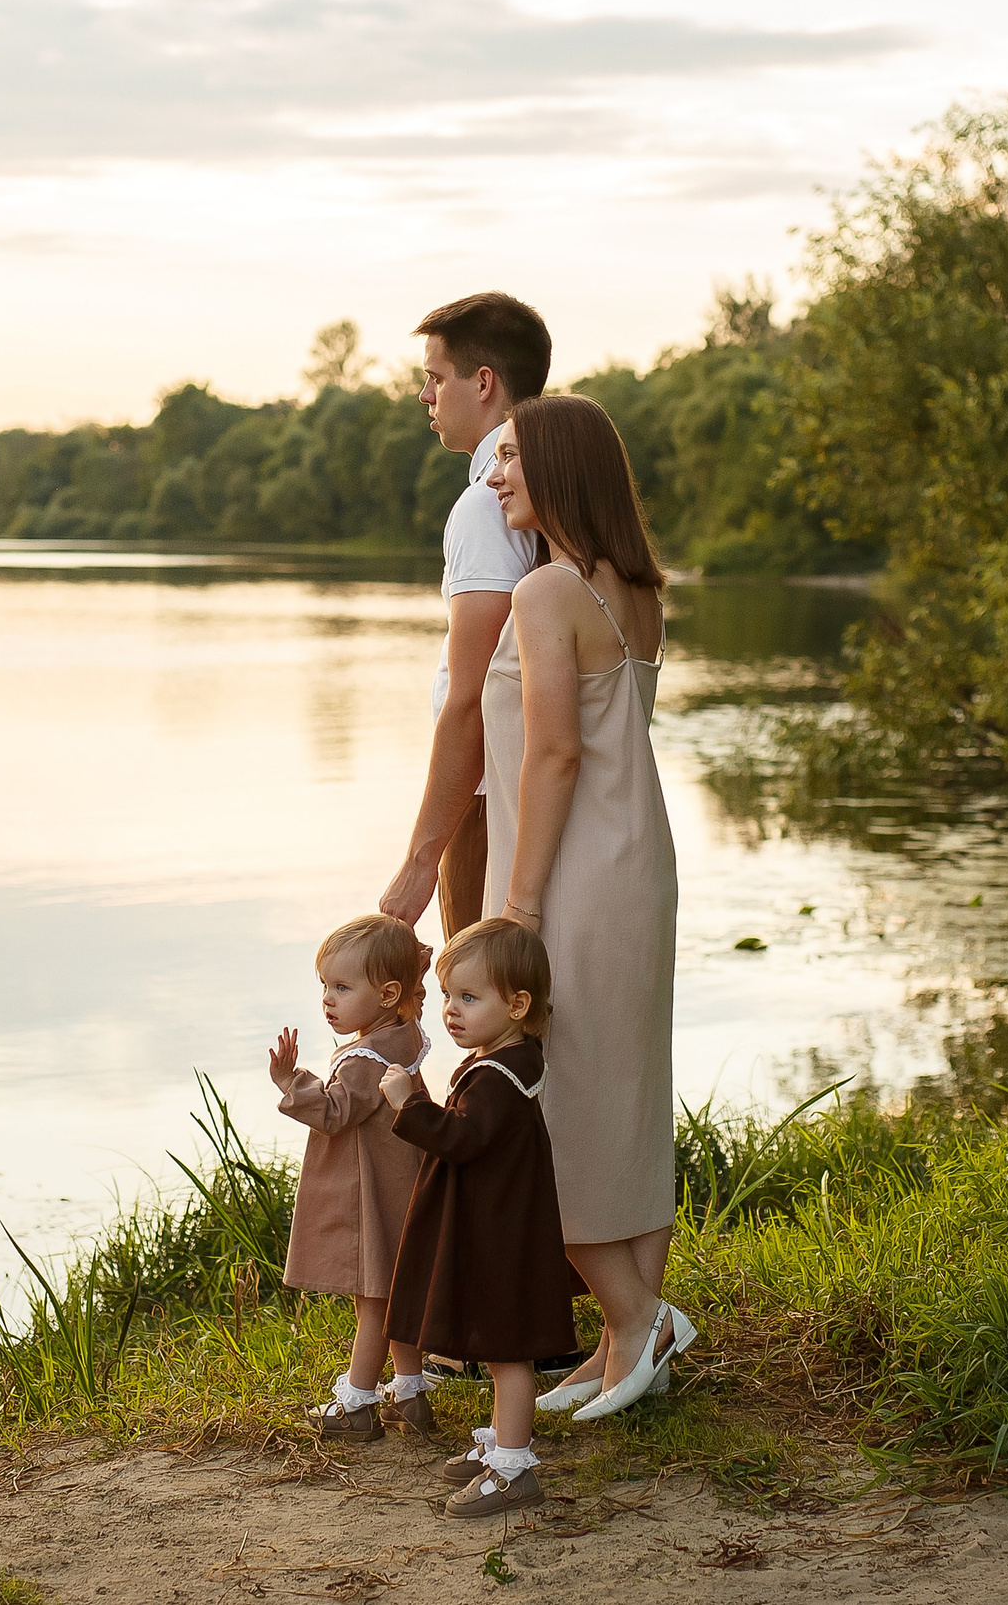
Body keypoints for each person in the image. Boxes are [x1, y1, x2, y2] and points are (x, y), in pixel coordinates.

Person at [481, 393, 695, 1423]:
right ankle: (623, 1337)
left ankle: (638, 1316)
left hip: (571, 873)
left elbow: (556, 752)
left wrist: (516, 906)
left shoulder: (546, 590)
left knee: (555, 1107)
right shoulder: (637, 587)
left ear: (560, 466)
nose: (496, 477)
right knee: (624, 1095)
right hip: (637, 862)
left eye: (512, 457)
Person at [377, 918, 575, 1518]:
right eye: (445, 996)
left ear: (517, 1005)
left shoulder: (493, 1077)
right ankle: (500, 1448)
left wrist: (409, 1103)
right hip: (502, 1223)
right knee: (498, 1345)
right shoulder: (511, 1057)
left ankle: (514, 1469)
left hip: (499, 1234)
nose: (450, 1011)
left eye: (468, 998)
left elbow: (461, 1140)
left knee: (507, 1351)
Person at [379, 294, 552, 939]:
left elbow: (474, 692)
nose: (425, 395)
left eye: (433, 376)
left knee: (477, 1002)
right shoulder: (544, 489)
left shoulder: (485, 506)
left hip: (481, 802)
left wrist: (423, 858)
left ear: (482, 384)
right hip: (509, 791)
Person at [268, 913, 437, 1442]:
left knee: (373, 1301)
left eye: (342, 987)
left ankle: (357, 1403)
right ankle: (410, 1393)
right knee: (395, 1291)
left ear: (388, 993)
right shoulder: (402, 1037)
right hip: (400, 1187)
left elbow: (337, 1111)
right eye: (324, 986)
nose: (328, 999)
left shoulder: (364, 1058)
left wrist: (291, 1081)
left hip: (374, 1198)